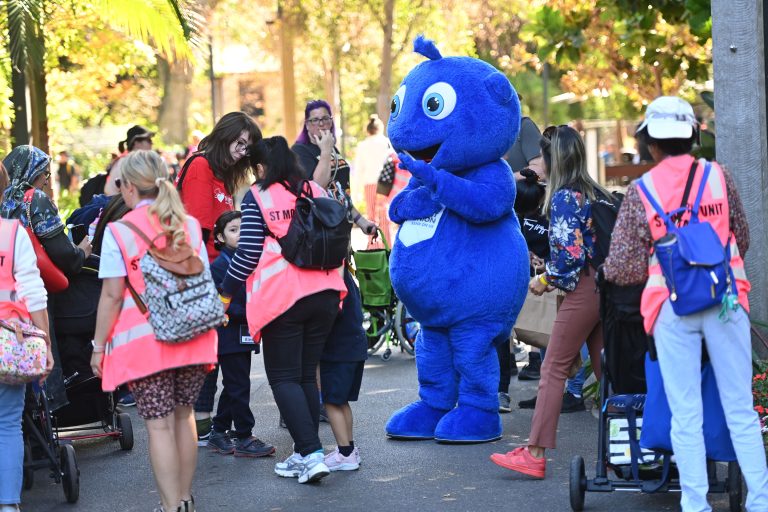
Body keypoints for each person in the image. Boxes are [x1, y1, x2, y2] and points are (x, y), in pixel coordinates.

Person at [603, 96, 768, 511]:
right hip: (725, 299)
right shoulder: (719, 177)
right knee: (740, 409)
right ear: (693, 136)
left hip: (671, 307)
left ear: (650, 142)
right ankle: (761, 502)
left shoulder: (642, 192)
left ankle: (695, 504)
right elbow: (741, 237)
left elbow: (622, 268)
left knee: (685, 412)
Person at [89, 150, 218, 512]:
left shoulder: (120, 231)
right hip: (194, 336)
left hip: (146, 344)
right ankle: (186, 499)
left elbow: (112, 295)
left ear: (129, 187)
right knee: (185, 416)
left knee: (159, 427)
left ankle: (170, 505)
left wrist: (98, 347)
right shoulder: (187, 224)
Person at [219, 136, 347, 484]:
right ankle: (305, 452)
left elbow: (247, 254)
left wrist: (225, 294)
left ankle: (311, 454)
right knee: (305, 375)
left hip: (284, 298)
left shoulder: (258, 196)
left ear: (261, 168)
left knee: (283, 377)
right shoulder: (312, 190)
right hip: (326, 293)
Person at [490, 125, 609, 478]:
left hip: (582, 290)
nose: (536, 162)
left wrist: (543, 280)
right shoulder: (594, 192)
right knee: (608, 372)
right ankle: (628, 445)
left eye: (541, 157)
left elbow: (570, 259)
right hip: (605, 288)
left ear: (554, 160)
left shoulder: (563, 199)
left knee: (553, 368)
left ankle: (535, 452)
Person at [176, 112, 261, 442]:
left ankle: (214, 425)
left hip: (223, 274)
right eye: (239, 143)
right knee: (208, 354)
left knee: (223, 355)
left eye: (247, 147)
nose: (242, 152)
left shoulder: (221, 175)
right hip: (206, 274)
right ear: (224, 135)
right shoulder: (200, 166)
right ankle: (202, 425)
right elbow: (196, 231)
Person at [1, 145, 92, 412]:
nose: (46, 180)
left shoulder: (4, 200)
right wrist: (81, 253)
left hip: (6, 290)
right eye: (44, 174)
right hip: (33, 288)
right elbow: (61, 252)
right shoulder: (34, 199)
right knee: (36, 348)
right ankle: (48, 408)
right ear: (33, 173)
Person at [0, 162, 52, 512]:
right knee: (7, 424)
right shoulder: (12, 234)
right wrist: (43, 342)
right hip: (8, 341)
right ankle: (8, 504)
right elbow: (33, 292)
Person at [205, 211, 274, 458]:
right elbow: (221, 303)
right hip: (228, 333)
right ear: (220, 237)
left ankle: (218, 430)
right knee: (239, 385)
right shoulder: (218, 266)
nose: (240, 233)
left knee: (234, 385)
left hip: (245, 332)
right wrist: (252, 312)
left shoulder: (249, 260)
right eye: (233, 230)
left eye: (243, 228)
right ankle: (245, 436)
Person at [353, 113, 392, 214]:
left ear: (367, 131)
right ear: (380, 129)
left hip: (369, 183)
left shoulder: (362, 145)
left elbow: (359, 169)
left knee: (371, 214)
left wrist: (356, 192)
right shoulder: (387, 143)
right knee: (385, 214)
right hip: (386, 182)